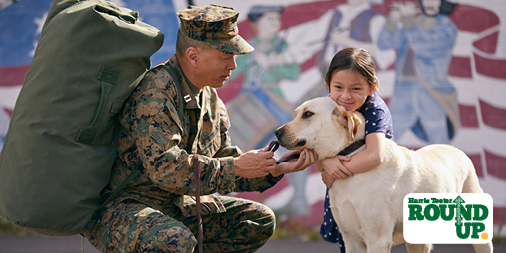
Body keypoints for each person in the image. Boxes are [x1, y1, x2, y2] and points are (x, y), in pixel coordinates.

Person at [83, 4, 317, 253]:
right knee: (173, 239)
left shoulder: (211, 99)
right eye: (226, 56)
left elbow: (221, 165)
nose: (234, 66)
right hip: (126, 209)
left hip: (176, 205)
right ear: (193, 56)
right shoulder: (156, 92)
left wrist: (275, 167)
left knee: (256, 220)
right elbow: (166, 169)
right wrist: (236, 166)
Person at [317, 47, 394, 252]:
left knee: (371, 238)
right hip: (345, 185)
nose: (346, 96)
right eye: (338, 87)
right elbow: (317, 149)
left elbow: (375, 155)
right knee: (349, 238)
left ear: (372, 87)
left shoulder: (374, 109)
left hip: (371, 188)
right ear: (329, 85)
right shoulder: (328, 107)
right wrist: (326, 163)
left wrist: (334, 172)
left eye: (356, 89)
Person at [377, 0, 459, 144]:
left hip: (430, 89)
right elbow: (384, 43)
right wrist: (392, 21)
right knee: (385, 138)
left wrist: (409, 21)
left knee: (438, 140)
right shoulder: (414, 23)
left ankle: (445, 166)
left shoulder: (446, 27)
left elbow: (425, 47)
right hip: (404, 88)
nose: (430, 3)